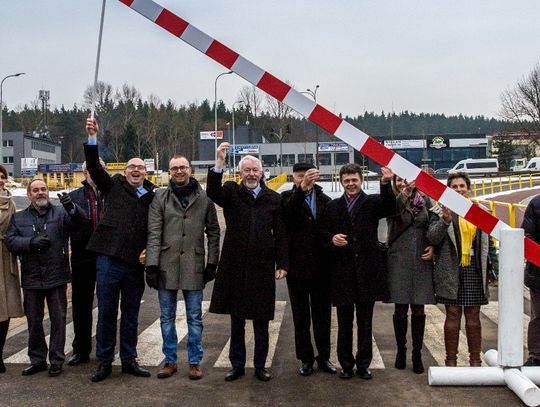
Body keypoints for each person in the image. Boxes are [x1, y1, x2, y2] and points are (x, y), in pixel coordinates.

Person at [207, 142, 288, 382]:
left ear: (262, 173)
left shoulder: (273, 198)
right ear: (240, 173)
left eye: (255, 170)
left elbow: (281, 233)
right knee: (237, 320)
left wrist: (282, 263)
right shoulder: (232, 193)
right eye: (247, 170)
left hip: (262, 265)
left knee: (261, 320)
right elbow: (212, 191)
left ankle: (261, 365)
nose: (251, 174)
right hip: (235, 265)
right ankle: (237, 365)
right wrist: (219, 162)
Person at [85, 117, 156, 382]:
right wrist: (93, 137)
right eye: (131, 167)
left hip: (135, 264)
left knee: (131, 314)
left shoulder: (153, 196)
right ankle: (104, 361)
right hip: (109, 259)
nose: (136, 170)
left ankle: (129, 359)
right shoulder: (112, 186)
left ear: (146, 173)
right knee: (105, 312)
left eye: (140, 167)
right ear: (125, 172)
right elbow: (93, 165)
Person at [145, 155, 220, 380]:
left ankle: (195, 362)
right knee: (166, 317)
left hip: (194, 266)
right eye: (174, 168)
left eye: (183, 167)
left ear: (190, 170)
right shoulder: (160, 198)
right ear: (169, 172)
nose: (179, 171)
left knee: (194, 318)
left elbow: (214, 232)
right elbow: (154, 232)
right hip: (166, 265)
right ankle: (170, 361)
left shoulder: (205, 199)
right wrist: (151, 265)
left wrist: (212, 262)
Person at [319, 163, 394, 380]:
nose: (351, 184)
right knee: (344, 323)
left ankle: (363, 364)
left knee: (365, 322)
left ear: (361, 180)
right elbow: (322, 231)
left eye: (354, 180)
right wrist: (331, 239)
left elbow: (390, 208)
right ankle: (346, 364)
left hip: (367, 273)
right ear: (341, 181)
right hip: (342, 273)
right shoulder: (332, 207)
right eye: (347, 180)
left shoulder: (372, 202)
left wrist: (385, 184)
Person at [6, 179, 83, 377]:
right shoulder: (19, 217)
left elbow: (81, 224)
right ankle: (37, 359)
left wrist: (72, 207)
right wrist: (30, 242)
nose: (40, 193)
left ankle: (56, 359)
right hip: (32, 276)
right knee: (34, 321)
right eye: (36, 190)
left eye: (43, 189)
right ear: (29, 195)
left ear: (48, 192)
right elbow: (11, 241)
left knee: (58, 320)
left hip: (56, 275)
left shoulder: (60, 213)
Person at [427, 171, 490, 367]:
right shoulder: (438, 211)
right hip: (449, 269)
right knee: (452, 314)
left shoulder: (480, 211)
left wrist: (492, 269)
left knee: (473, 315)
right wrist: (445, 221)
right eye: (454, 187)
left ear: (468, 189)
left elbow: (488, 244)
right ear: (448, 189)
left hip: (473, 269)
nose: (458, 190)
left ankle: (475, 361)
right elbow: (432, 238)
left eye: (462, 186)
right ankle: (451, 361)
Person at [281, 163, 335, 376]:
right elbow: (287, 216)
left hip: (322, 268)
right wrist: (300, 190)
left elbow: (329, 229)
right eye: (299, 176)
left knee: (323, 316)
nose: (304, 179)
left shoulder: (325, 200)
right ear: (294, 177)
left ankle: (324, 357)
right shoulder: (286, 197)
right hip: (297, 269)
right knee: (300, 317)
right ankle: (305, 358)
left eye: (308, 176)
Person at [386, 176, 437, 374]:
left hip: (421, 260)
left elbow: (433, 225)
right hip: (399, 259)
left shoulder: (426, 201)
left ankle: (417, 353)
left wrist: (433, 245)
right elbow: (393, 212)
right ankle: (401, 350)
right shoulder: (391, 199)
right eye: (398, 180)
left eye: (406, 180)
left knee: (418, 308)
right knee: (400, 307)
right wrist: (405, 193)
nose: (402, 183)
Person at [66, 160, 105, 367]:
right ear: (84, 172)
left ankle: (105, 349)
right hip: (83, 257)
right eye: (91, 169)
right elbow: (68, 228)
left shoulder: (111, 193)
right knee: (81, 306)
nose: (95, 172)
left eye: (100, 169)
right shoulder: (73, 197)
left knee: (107, 305)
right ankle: (80, 350)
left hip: (107, 256)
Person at [0, 165, 24, 373]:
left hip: (5, 257)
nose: (0, 180)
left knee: (6, 307)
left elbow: (14, 230)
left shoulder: (11, 203)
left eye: (2, 177)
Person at [521, 194, 540, 366]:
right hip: (538, 273)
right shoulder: (535, 204)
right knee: (538, 316)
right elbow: (527, 236)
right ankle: (536, 356)